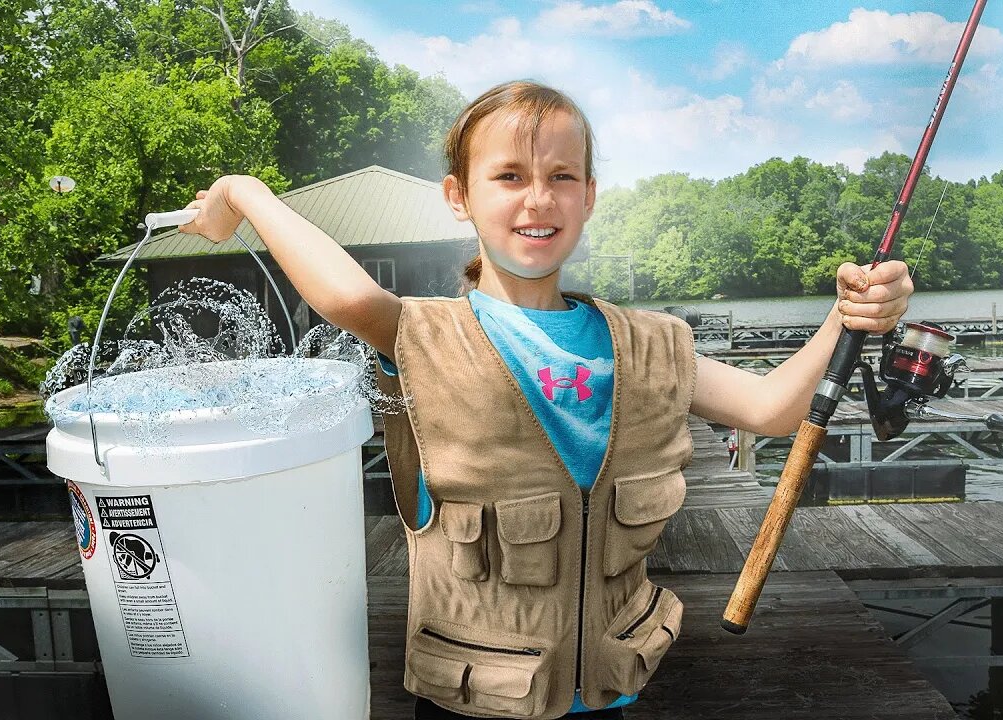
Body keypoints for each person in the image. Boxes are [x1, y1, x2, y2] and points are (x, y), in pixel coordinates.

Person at [180, 80, 913, 720]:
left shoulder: (653, 344)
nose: (539, 198)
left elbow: (772, 409)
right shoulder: (419, 333)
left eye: (563, 175)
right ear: (458, 197)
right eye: (508, 175)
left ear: (590, 196)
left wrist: (851, 314)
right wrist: (243, 193)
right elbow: (344, 293)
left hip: (608, 696)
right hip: (471, 706)